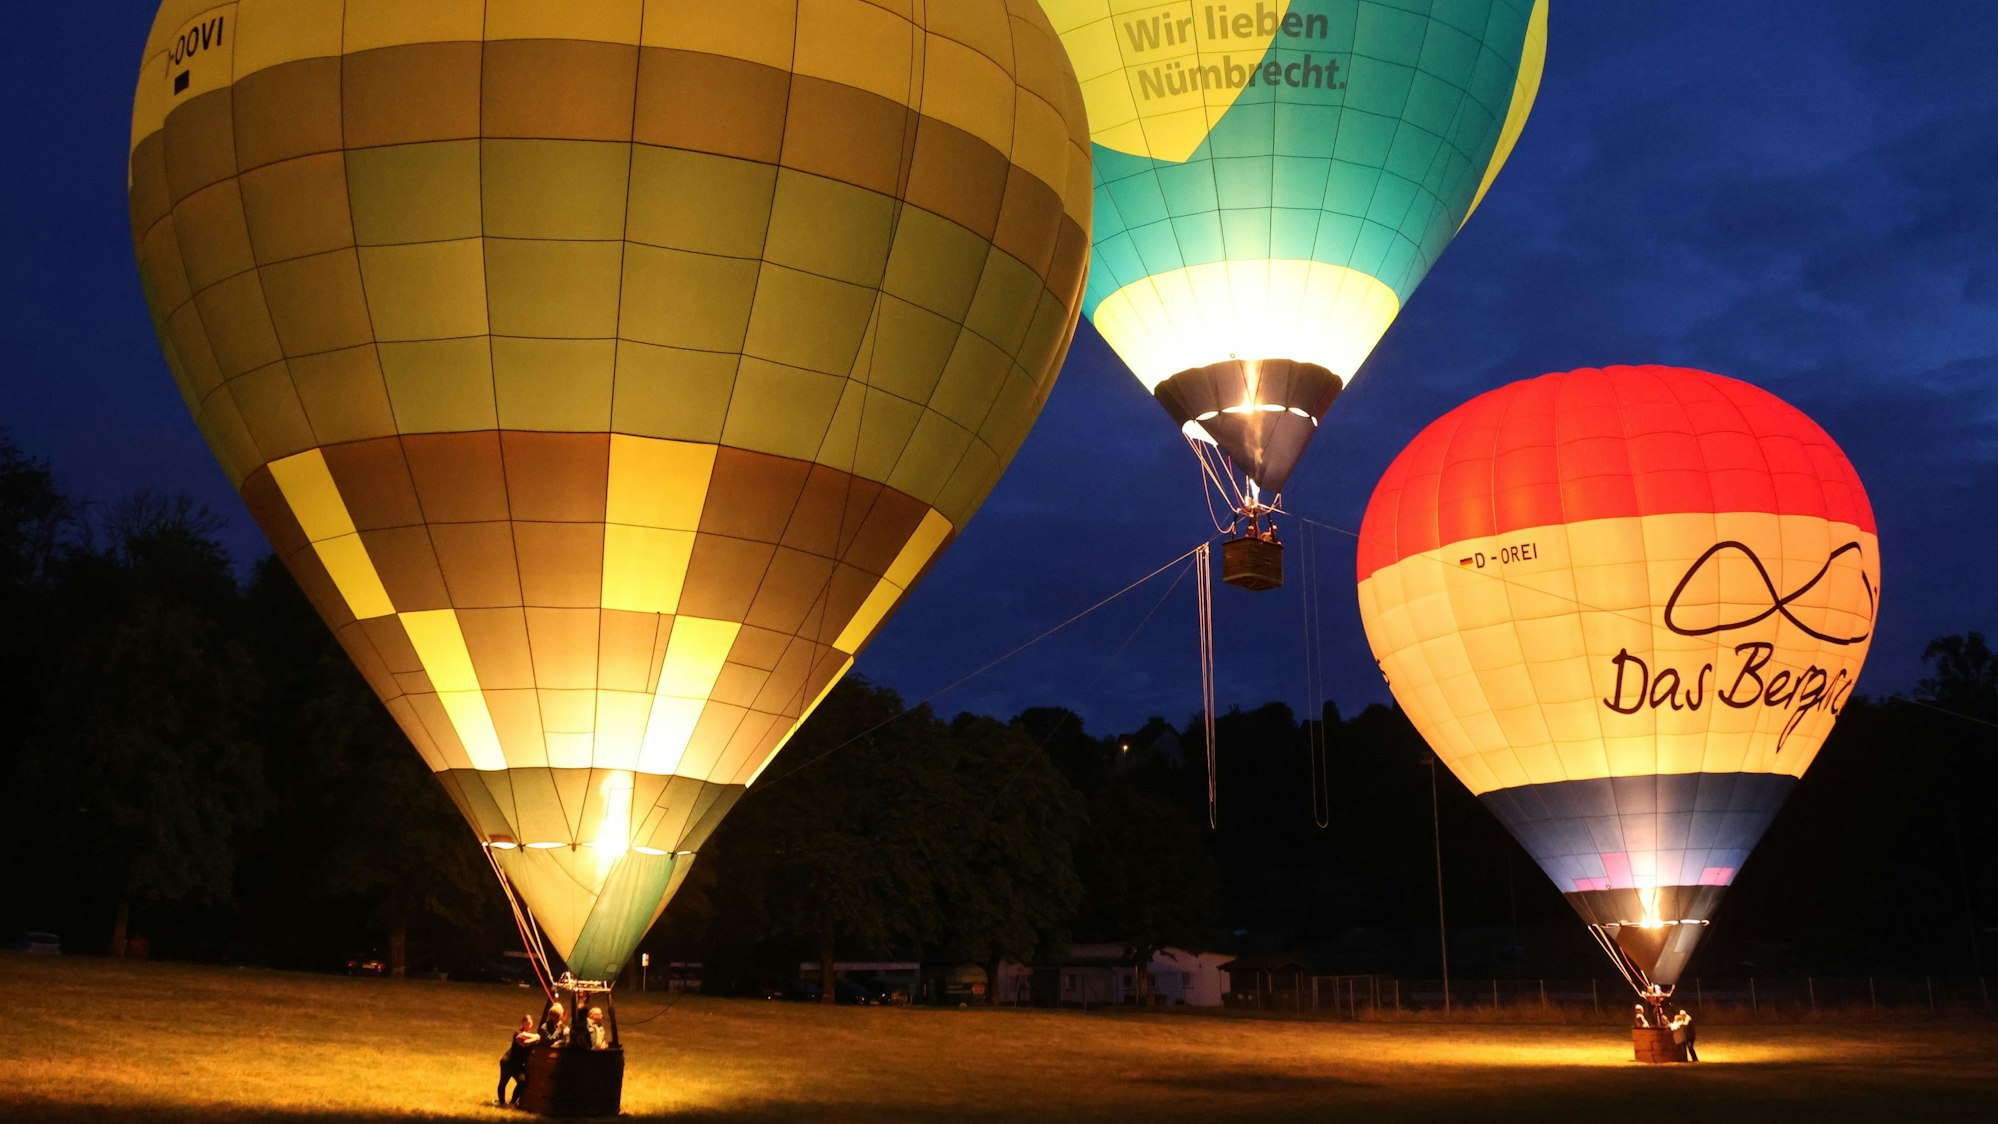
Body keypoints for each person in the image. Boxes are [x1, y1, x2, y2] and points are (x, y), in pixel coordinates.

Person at [498, 1015, 539, 1106]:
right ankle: (502, 1103)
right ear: (523, 1023)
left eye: (530, 1023)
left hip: (517, 1065)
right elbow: (524, 1044)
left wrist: (536, 1037)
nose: (528, 1025)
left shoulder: (530, 1034)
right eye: (526, 1023)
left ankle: (513, 1102)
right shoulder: (517, 1033)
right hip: (508, 1062)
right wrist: (536, 1037)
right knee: (503, 1082)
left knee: (522, 1081)